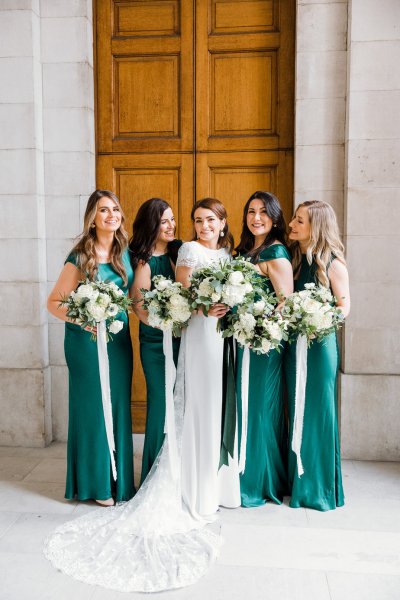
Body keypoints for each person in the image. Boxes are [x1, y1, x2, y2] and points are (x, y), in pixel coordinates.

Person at [47, 189, 135, 505]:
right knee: (94, 409)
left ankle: (119, 482)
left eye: (115, 209)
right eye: (103, 210)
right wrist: (85, 318)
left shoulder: (125, 253)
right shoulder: (80, 257)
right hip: (86, 342)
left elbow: (134, 298)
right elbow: (54, 302)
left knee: (118, 406)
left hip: (118, 342)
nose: (111, 215)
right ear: (92, 219)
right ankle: (96, 485)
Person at [176, 198, 241, 518]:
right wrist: (206, 308)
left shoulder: (229, 255)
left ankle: (221, 485)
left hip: (224, 335)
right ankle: (198, 489)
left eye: (211, 220)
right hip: (202, 333)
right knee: (202, 401)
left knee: (220, 400)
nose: (205, 226)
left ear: (223, 222)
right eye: (199, 220)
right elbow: (183, 291)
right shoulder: (189, 250)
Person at [285, 200, 350, 511]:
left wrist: (317, 320)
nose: (292, 225)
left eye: (300, 221)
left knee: (317, 414)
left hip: (319, 347)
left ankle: (320, 489)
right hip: (293, 345)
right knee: (296, 410)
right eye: (294, 219)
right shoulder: (297, 259)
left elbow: (344, 308)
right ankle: (297, 481)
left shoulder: (334, 264)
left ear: (316, 226)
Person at [235, 191, 293, 507]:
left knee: (259, 407)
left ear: (274, 217)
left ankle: (259, 480)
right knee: (244, 405)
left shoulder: (276, 253)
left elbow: (285, 304)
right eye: (251, 211)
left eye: (263, 212)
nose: (256, 217)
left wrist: (259, 329)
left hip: (263, 343)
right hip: (241, 341)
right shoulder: (246, 251)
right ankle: (241, 471)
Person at [129, 198, 182, 483]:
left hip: (184, 341)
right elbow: (139, 308)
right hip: (155, 344)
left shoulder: (180, 251)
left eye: (172, 219)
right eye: (164, 221)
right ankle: (154, 473)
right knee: (161, 402)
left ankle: (179, 468)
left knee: (181, 402)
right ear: (152, 225)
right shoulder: (144, 261)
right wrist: (167, 322)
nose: (171, 225)